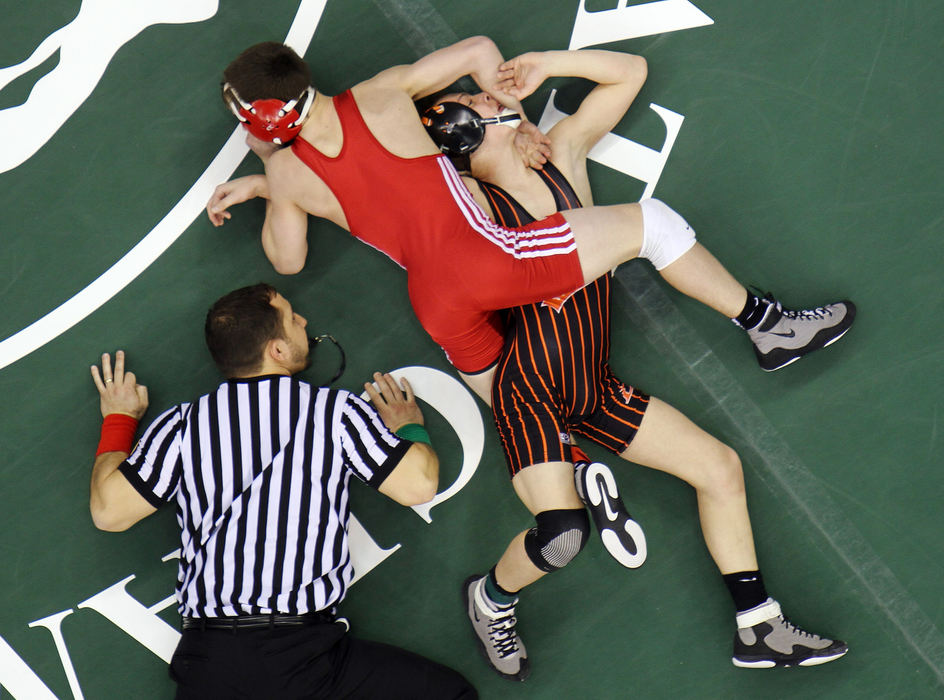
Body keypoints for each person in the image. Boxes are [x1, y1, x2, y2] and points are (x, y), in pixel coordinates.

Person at [418, 50, 849, 679]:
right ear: (461, 132)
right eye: (478, 101)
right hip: (530, 396)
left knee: (719, 468)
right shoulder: (473, 217)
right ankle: (491, 597)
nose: (494, 95)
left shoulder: (561, 157)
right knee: (561, 538)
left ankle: (758, 626)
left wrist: (547, 64)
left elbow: (631, 72)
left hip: (593, 387)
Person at [205, 38, 852, 408]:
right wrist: (513, 103)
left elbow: (287, 260)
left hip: (432, 299)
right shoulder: (381, 91)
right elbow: (482, 51)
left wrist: (269, 179)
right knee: (651, 223)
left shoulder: (290, 177)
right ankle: (767, 328)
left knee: (519, 407)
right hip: (488, 256)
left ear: (263, 123)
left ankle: (565, 471)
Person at [87, 283, 476, 699]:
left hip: (209, 662)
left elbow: (109, 511)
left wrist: (120, 418)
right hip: (297, 657)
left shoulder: (182, 426)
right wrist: (407, 426)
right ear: (275, 350)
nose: (304, 323)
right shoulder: (332, 411)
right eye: (293, 319)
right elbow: (418, 485)